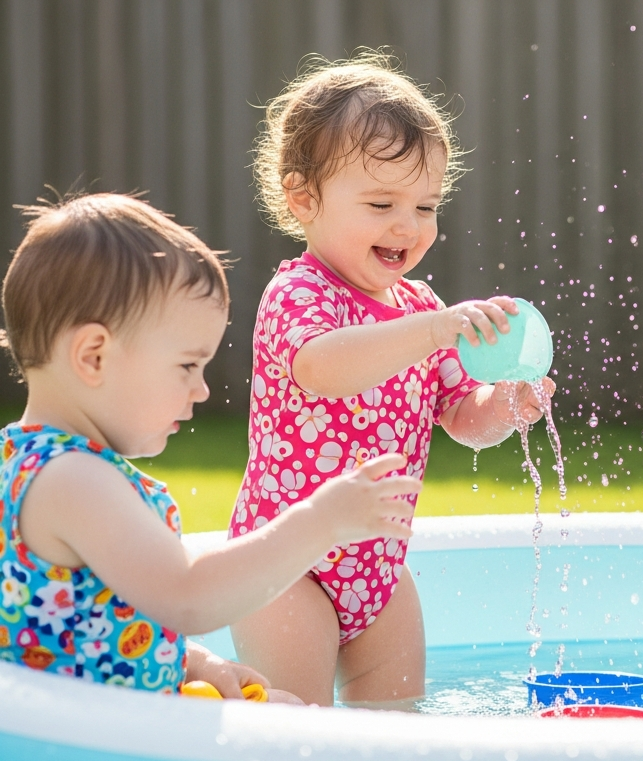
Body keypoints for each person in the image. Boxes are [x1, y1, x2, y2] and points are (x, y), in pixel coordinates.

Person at [229, 51, 554, 707]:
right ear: (304, 199)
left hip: (379, 570)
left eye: (426, 205)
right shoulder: (299, 293)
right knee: (301, 728)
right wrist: (433, 331)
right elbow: (321, 367)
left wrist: (505, 404)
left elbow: (462, 417)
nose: (408, 226)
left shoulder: (419, 307)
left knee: (399, 723)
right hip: (286, 564)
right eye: (381, 203)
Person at [0, 193, 417, 703]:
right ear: (93, 357)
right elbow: (187, 597)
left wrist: (195, 661)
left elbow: (100, 615)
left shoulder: (28, 464)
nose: (201, 390)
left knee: (287, 709)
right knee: (299, 726)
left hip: (104, 718)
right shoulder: (72, 480)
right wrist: (321, 521)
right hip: (97, 736)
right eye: (186, 366)